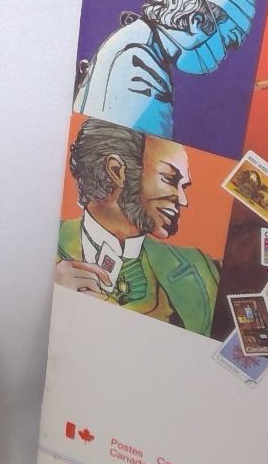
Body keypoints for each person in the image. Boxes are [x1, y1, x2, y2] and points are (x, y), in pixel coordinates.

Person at [54, 119, 219, 335]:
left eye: (184, 186)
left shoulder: (202, 267)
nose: (183, 199)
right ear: (116, 171)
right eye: (169, 179)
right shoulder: (40, 242)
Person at [72, 0, 255, 138]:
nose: (224, 55)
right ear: (196, 22)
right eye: (229, 42)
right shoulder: (137, 62)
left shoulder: (142, 46)